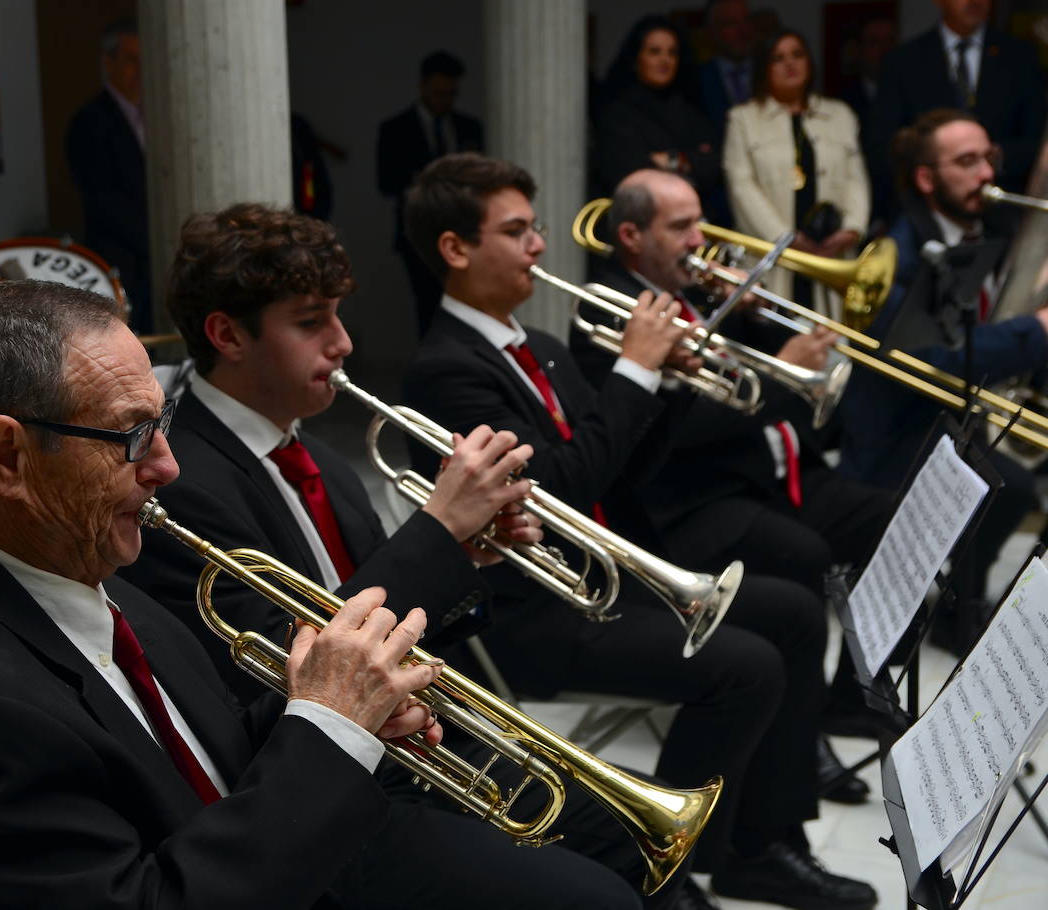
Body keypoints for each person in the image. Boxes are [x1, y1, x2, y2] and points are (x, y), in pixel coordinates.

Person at [0, 277, 619, 910]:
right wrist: (330, 734)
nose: (168, 465)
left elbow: (203, 754)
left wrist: (340, 710)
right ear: (8, 456)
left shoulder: (85, 579)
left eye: (162, 424)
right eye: (131, 436)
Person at [120, 202, 687, 909]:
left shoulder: (323, 459)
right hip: (324, 798)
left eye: (338, 314)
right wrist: (436, 532)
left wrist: (466, 558)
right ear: (227, 334)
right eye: (310, 320)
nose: (343, 342)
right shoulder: (184, 484)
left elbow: (400, 629)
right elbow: (277, 679)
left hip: (415, 751)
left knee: (629, 843)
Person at [402, 152, 878, 910]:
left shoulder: (547, 348)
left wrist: (672, 380)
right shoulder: (444, 371)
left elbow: (622, 467)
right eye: (517, 231)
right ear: (456, 250)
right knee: (744, 666)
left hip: (607, 579)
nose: (538, 247)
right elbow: (553, 488)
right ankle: (660, 868)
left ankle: (764, 845)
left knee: (789, 613)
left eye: (537, 228)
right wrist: (633, 374)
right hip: (529, 613)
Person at [584, 169, 894, 738]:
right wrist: (790, 372)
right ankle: (791, 735)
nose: (699, 239)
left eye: (697, 222)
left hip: (759, 473)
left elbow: (750, 380)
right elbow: (689, 428)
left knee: (887, 518)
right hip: (688, 499)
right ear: (631, 235)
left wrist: (749, 319)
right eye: (680, 227)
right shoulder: (611, 308)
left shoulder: (694, 293)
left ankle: (849, 700)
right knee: (803, 555)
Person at [840, 109, 1048, 648]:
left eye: (989, 159)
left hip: (942, 419)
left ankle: (966, 603)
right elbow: (932, 364)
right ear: (926, 179)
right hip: (894, 436)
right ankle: (959, 610)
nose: (986, 174)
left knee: (1017, 483)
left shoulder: (978, 232)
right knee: (1013, 486)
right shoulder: (900, 253)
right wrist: (1036, 330)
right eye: (967, 162)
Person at [722, 28, 869, 315]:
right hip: (774, 252)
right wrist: (784, 237)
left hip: (832, 249)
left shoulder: (840, 114)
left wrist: (852, 228)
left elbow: (856, 177)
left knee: (830, 338)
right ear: (764, 68)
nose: (790, 64)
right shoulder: (742, 119)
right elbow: (740, 185)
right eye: (778, 58)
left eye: (797, 55)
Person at [866, 0, 1045, 222]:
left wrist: (993, 158)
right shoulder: (904, 60)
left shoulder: (1020, 56)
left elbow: (1038, 141)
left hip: (1004, 212)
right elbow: (884, 145)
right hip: (928, 214)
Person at [377, 51, 484, 336]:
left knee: (468, 303)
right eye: (438, 92)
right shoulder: (395, 130)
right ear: (423, 86)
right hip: (416, 233)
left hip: (465, 231)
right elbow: (386, 183)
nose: (444, 100)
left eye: (451, 93)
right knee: (427, 306)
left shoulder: (468, 127)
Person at [66, 17, 155, 334]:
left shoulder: (157, 116)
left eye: (147, 62)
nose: (141, 71)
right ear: (109, 62)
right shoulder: (91, 121)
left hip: (155, 264)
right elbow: (104, 201)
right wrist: (158, 242)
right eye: (132, 61)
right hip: (121, 264)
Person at [594, 17, 723, 222]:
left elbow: (713, 168)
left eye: (672, 52)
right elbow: (631, 174)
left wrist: (667, 160)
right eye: (655, 52)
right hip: (641, 223)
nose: (665, 60)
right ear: (636, 59)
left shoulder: (693, 111)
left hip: (695, 222)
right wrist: (688, 161)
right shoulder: (617, 114)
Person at [696, 0, 758, 131]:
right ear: (712, 31)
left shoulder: (769, 71)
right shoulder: (695, 80)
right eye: (731, 23)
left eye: (746, 20)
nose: (743, 30)